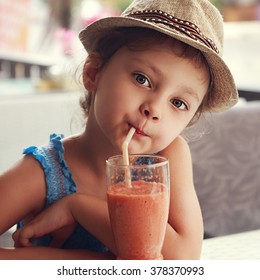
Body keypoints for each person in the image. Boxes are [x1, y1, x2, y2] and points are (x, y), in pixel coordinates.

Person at [0, 0, 238, 260]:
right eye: (142, 79)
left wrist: (78, 208)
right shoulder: (43, 173)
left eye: (178, 103)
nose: (154, 109)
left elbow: (183, 259)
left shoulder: (168, 158)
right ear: (93, 72)